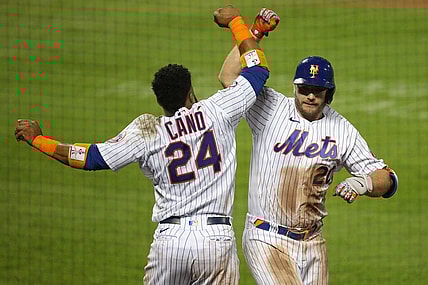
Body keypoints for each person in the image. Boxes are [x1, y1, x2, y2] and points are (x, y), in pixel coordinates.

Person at [14, 6, 270, 285]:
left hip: (170, 243)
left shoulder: (147, 130)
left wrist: (39, 140)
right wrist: (237, 23)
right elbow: (257, 69)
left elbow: (90, 158)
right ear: (188, 91)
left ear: (160, 101)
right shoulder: (217, 111)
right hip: (216, 240)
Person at [218, 8, 398, 285]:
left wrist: (361, 184)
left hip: (313, 243)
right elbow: (228, 77)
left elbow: (387, 177)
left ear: (330, 93)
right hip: (266, 237)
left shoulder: (342, 130)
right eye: (304, 89)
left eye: (318, 90)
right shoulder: (271, 107)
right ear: (295, 88)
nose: (310, 96)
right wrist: (256, 33)